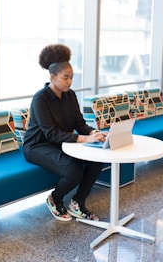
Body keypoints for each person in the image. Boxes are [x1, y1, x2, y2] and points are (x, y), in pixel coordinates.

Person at [23, 44, 106, 222]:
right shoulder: (40, 98)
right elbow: (51, 134)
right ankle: (55, 199)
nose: (69, 82)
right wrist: (85, 138)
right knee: (73, 171)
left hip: (61, 143)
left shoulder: (70, 96)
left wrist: (94, 132)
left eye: (71, 78)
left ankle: (77, 203)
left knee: (97, 160)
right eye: (65, 78)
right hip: (37, 146)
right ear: (53, 77)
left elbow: (79, 123)